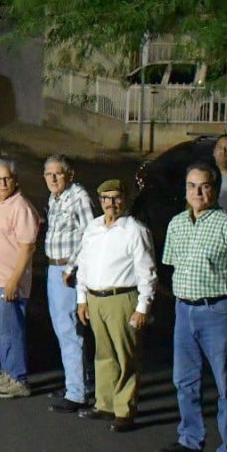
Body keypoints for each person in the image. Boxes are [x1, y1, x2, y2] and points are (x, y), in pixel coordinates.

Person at [157, 162, 227, 452]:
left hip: (217, 312)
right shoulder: (176, 224)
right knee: (185, 381)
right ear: (185, 189)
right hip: (184, 311)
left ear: (214, 189)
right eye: (191, 186)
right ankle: (190, 439)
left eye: (204, 186)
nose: (197, 192)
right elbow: (172, 265)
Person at [73, 179, 157, 433]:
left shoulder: (135, 230)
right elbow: (84, 264)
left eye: (116, 198)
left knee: (125, 357)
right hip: (96, 298)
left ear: (125, 199)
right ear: (100, 202)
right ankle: (105, 403)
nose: (111, 204)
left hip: (122, 298)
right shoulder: (94, 228)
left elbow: (147, 272)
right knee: (103, 354)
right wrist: (82, 299)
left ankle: (124, 410)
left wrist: (143, 306)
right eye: (106, 199)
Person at [0, 159, 39, 399]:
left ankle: (19, 378)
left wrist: (14, 281)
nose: (2, 183)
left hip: (9, 281)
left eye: (6, 178)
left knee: (11, 331)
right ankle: (7, 369)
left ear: (15, 179)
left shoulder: (21, 206)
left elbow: (27, 248)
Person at [42, 154, 96, 413]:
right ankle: (77, 382)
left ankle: (77, 393)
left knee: (70, 331)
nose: (52, 178)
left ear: (69, 175)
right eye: (48, 174)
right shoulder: (55, 198)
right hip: (54, 268)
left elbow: (90, 235)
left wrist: (72, 267)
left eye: (58, 173)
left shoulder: (79, 197)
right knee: (62, 329)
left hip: (67, 270)